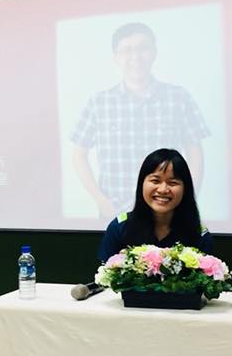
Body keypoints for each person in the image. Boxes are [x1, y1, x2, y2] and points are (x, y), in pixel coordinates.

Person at [71, 22, 209, 219]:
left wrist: (187, 200)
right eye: (127, 50)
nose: (135, 56)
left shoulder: (178, 97)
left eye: (142, 48)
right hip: (114, 212)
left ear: (154, 52)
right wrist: (100, 200)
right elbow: (79, 155)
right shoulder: (99, 102)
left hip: (167, 212)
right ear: (116, 57)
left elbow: (195, 153)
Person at [98, 148, 214, 262]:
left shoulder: (199, 235)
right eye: (155, 181)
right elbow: (105, 271)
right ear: (142, 184)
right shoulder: (119, 228)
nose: (163, 189)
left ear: (185, 189)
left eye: (173, 183)